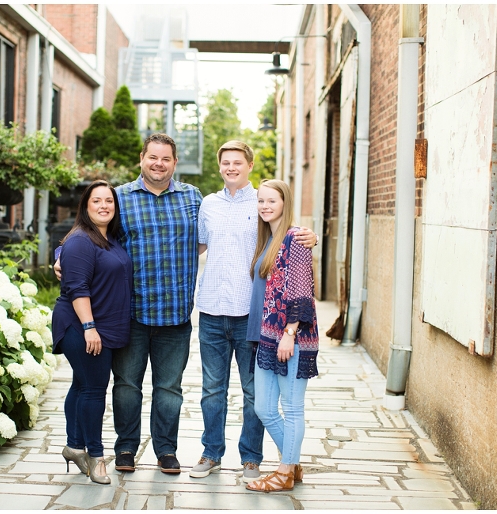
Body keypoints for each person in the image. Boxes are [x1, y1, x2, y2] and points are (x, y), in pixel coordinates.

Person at [57, 133, 203, 474]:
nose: (159, 163)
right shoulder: (120, 197)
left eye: (166, 158)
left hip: (175, 313)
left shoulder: (192, 198)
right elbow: (91, 231)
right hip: (129, 316)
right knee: (126, 388)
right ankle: (125, 449)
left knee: (169, 389)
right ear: (142, 158)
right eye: (153, 157)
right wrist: (61, 254)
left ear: (174, 163)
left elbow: (221, 233)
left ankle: (166, 450)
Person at [190, 141, 317, 483]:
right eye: (225, 163)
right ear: (220, 167)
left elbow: (287, 239)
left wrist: (309, 236)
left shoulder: (262, 202)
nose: (231, 168)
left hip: (253, 316)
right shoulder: (208, 205)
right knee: (212, 389)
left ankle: (251, 458)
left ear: (249, 165)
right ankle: (211, 452)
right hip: (213, 309)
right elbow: (199, 245)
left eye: (238, 162)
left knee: (253, 393)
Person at [52, 180, 133, 485]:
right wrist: (89, 327)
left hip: (103, 325)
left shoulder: (108, 237)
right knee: (93, 389)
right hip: (81, 324)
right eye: (96, 201)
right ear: (85, 207)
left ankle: (74, 446)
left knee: (82, 384)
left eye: (108, 201)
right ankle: (96, 457)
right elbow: (76, 287)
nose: (103, 206)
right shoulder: (81, 240)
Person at [245, 179, 319, 493]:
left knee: (291, 407)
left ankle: (285, 471)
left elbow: (302, 293)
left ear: (284, 203)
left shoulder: (296, 239)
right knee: (263, 407)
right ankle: (292, 461)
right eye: (260, 201)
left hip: (291, 337)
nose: (264, 206)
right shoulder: (268, 239)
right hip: (267, 336)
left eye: (271, 201)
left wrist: (290, 333)